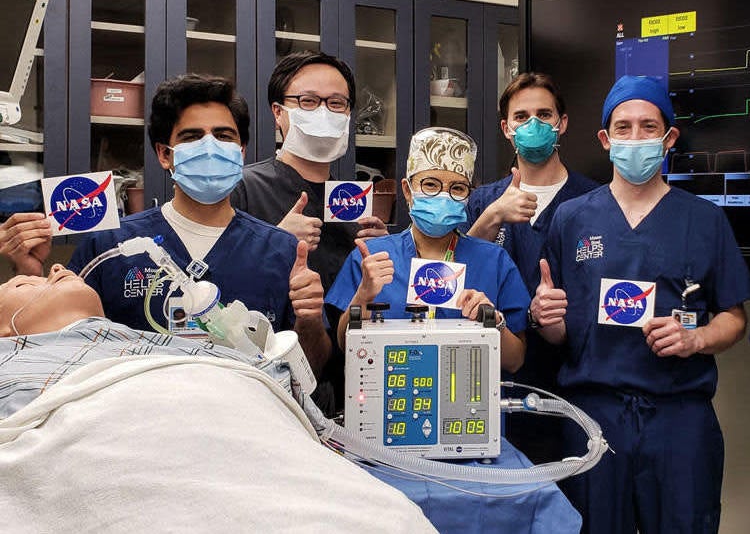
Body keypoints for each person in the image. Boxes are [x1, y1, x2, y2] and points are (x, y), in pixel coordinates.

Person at [0, 268, 439, 534]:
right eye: (25, 280)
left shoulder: (166, 344)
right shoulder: (11, 362)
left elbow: (286, 408)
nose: (56, 267)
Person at [530, 75, 750, 534]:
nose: (635, 138)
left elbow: (734, 318)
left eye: (648, 127)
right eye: (624, 127)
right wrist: (544, 316)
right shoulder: (571, 218)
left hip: (678, 418)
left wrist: (697, 338)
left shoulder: (704, 220)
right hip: (593, 413)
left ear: (668, 138)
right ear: (605, 139)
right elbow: (561, 330)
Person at [64, 74, 330, 394]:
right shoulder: (110, 247)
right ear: (165, 154)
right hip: (136, 428)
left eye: (223, 135)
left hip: (248, 426)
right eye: (191, 137)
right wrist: (27, 270)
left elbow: (310, 370)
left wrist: (310, 319)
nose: (210, 147)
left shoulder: (282, 250)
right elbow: (56, 348)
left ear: (241, 152)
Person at [464, 72, 597, 463]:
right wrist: (491, 218)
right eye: (521, 117)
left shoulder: (594, 201)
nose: (533, 124)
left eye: (544, 114)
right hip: (493, 384)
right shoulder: (482, 202)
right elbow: (448, 278)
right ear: (506, 128)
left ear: (562, 123)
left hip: (571, 386)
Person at [326, 127, 529, 373]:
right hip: (389, 400)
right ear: (407, 190)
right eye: (430, 185)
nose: (443, 197)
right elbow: (343, 345)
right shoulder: (371, 256)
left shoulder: (493, 261)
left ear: (468, 196)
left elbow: (515, 360)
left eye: (457, 188)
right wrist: (363, 296)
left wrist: (492, 321)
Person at [231, 50, 389, 289]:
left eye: (336, 103)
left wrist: (382, 251)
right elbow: (215, 277)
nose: (323, 113)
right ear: (278, 112)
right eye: (308, 101)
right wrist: (276, 241)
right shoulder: (243, 187)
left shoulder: (349, 202)